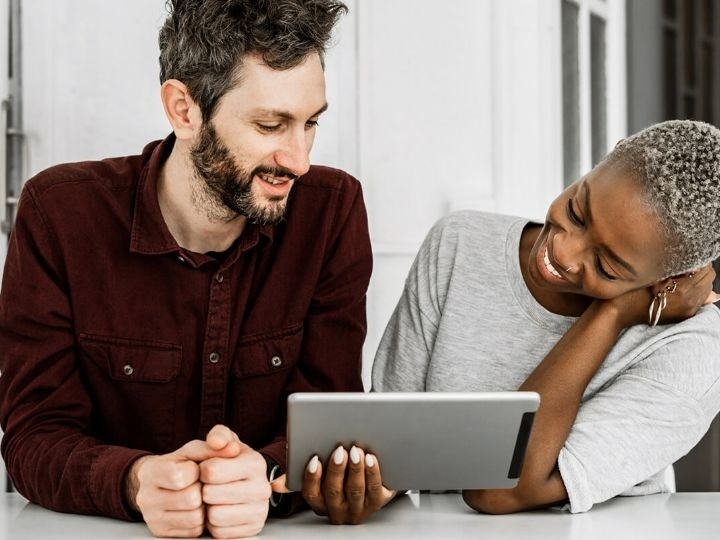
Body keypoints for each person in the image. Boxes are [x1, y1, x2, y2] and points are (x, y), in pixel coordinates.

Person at [0, 0, 370, 538]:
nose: (299, 159)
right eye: (271, 124)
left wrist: (265, 474)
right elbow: (33, 437)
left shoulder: (332, 211)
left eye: (310, 123)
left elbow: (332, 416)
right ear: (184, 109)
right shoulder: (59, 214)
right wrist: (135, 480)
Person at [297, 119, 720, 524]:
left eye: (606, 267)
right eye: (577, 211)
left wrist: (610, 315)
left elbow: (502, 490)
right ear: (604, 161)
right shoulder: (460, 245)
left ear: (668, 280)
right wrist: (363, 488)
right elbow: (386, 450)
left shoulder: (693, 350)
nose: (563, 253)